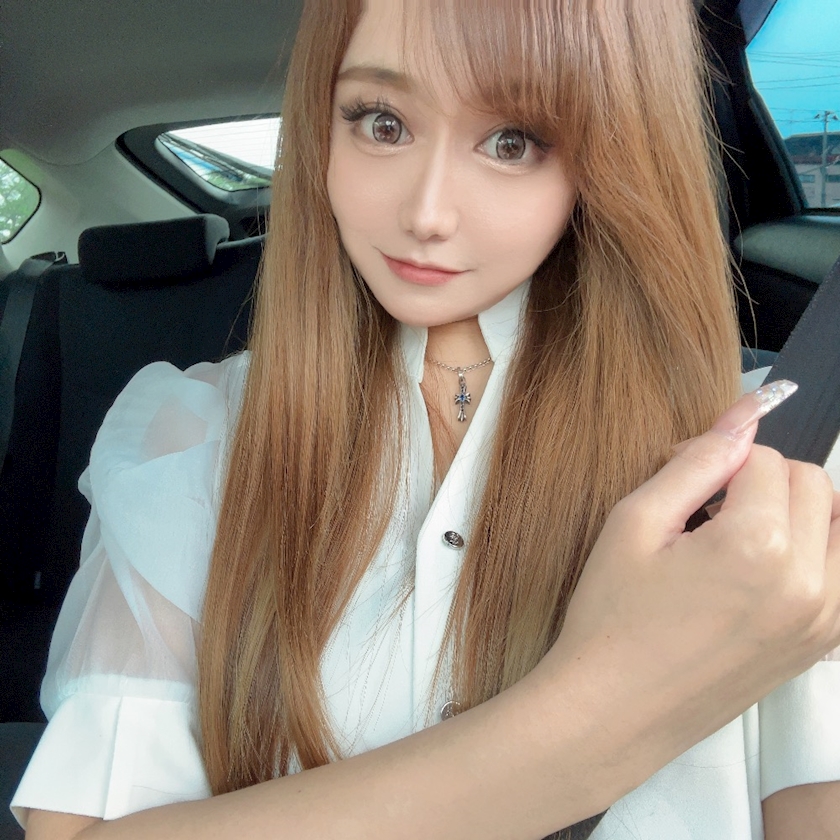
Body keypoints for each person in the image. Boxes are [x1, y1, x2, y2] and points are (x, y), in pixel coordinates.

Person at [13, 0, 840, 837]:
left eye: (513, 141)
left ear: (613, 155)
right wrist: (592, 720)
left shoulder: (777, 471)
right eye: (382, 123)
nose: (427, 213)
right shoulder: (193, 438)